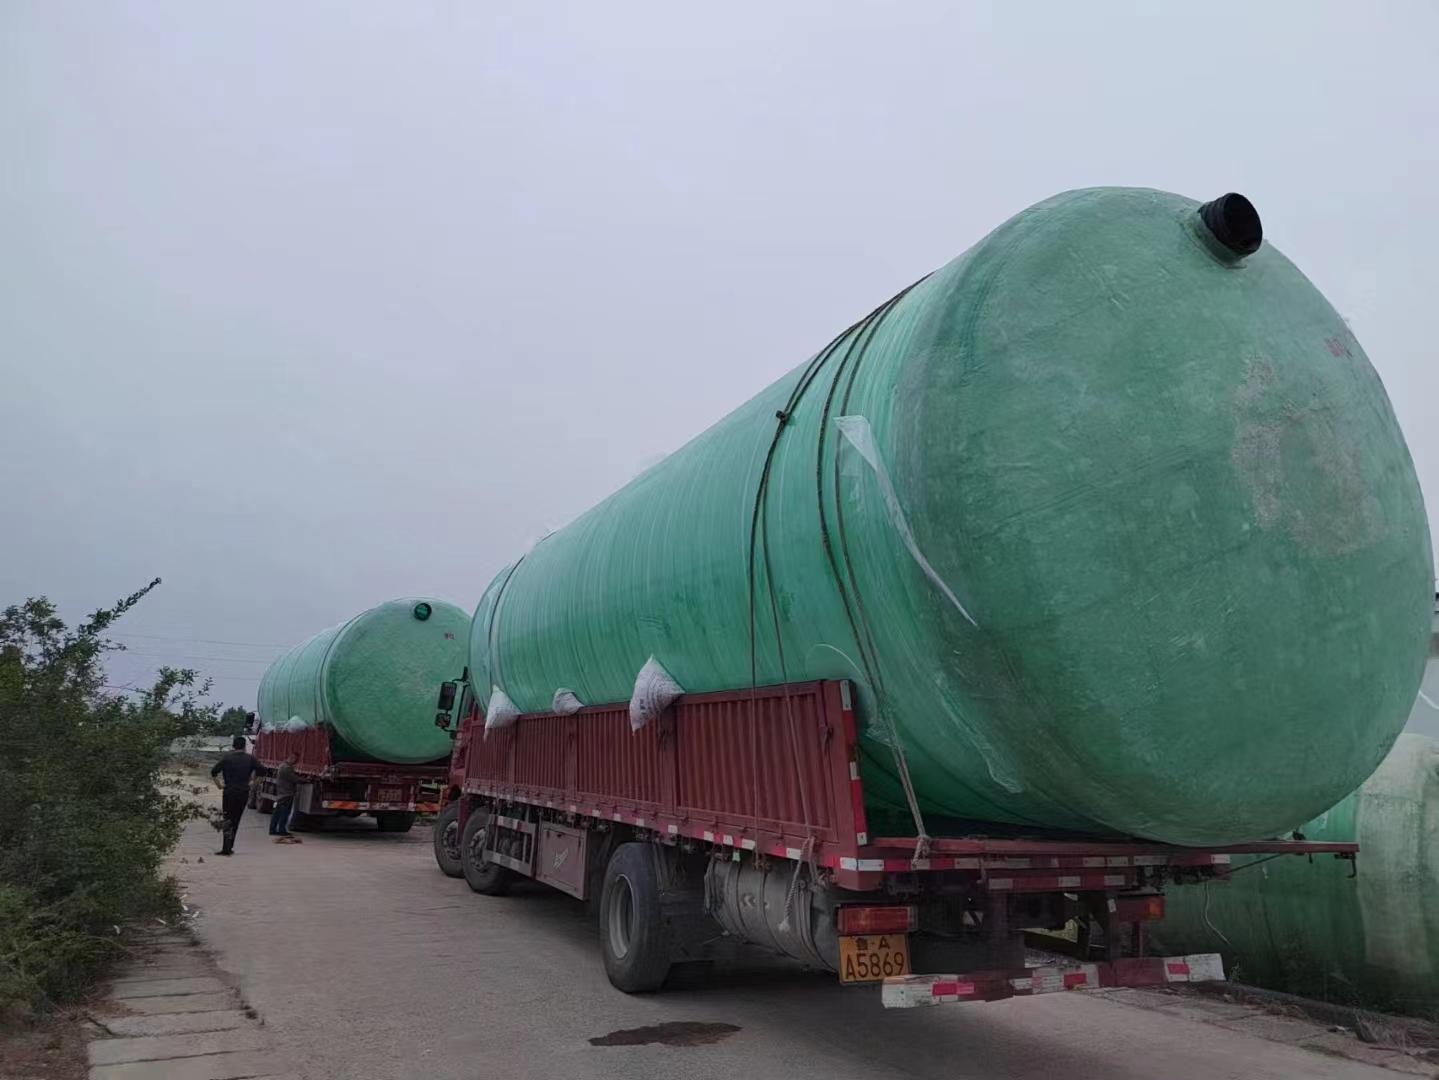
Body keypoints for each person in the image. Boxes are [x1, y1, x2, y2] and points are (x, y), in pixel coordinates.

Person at [210, 735, 260, 855]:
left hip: (229, 792)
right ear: (244, 746)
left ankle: (226, 848)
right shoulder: (250, 759)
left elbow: (213, 772)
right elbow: (263, 771)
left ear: (233, 746)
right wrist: (253, 784)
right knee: (236, 820)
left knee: (227, 819)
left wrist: (219, 785)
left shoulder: (227, 758)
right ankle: (230, 846)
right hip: (243, 792)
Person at [269, 751, 303, 844]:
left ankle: (273, 829)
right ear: (292, 758)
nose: (296, 762)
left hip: (282, 793)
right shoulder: (286, 768)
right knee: (284, 813)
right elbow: (294, 779)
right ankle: (281, 830)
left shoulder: (283, 766)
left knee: (277, 812)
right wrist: (305, 780)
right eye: (295, 760)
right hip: (286, 793)